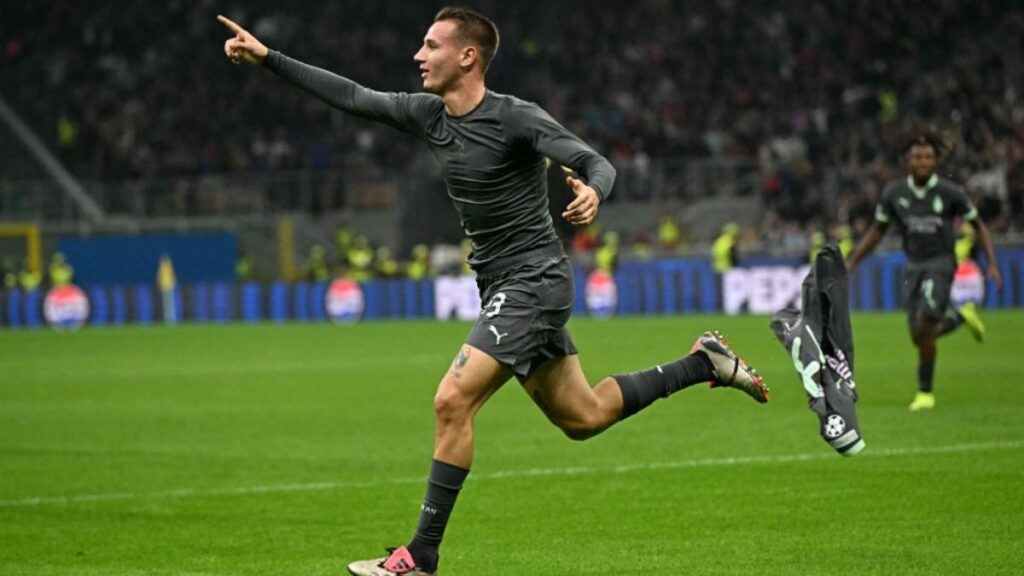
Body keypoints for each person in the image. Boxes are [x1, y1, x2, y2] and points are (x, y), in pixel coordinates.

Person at [219, 9, 769, 575]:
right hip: (502, 285)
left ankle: (420, 555)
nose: (418, 56)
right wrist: (269, 59)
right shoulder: (429, 115)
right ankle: (702, 363)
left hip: (535, 280)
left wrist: (594, 191)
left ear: (467, 57)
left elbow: (594, 161)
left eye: (431, 46)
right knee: (583, 417)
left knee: (451, 400)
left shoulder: (514, 117)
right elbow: (355, 96)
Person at [846, 130, 1002, 412]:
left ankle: (925, 393)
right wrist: (853, 261)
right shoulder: (894, 193)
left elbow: (979, 226)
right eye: (917, 157)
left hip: (941, 263)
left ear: (936, 161)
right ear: (906, 161)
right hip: (914, 265)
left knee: (925, 321)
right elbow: (878, 230)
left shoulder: (950, 192)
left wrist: (991, 262)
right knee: (918, 335)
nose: (923, 162)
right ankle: (959, 316)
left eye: (929, 157)